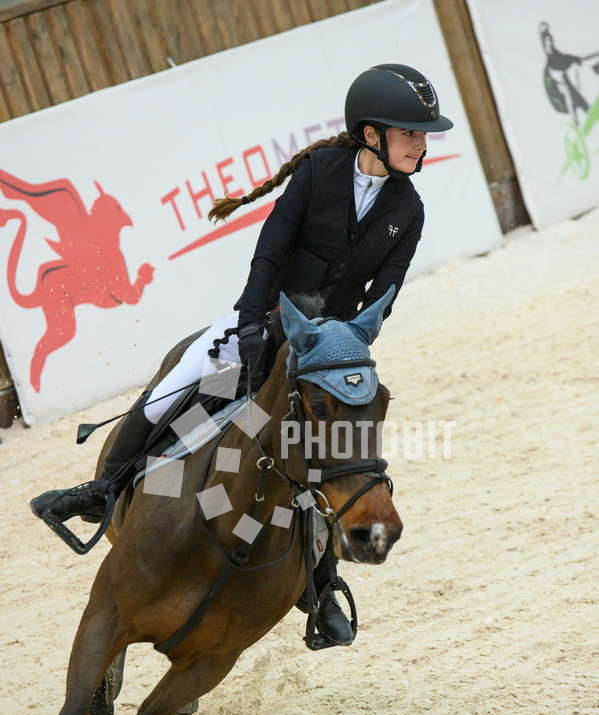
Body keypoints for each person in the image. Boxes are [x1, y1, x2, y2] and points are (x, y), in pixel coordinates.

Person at [31, 63, 453, 646]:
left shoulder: (409, 209)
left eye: (423, 135)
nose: (421, 144)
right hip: (266, 315)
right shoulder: (320, 173)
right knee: (182, 382)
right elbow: (270, 251)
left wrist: (344, 349)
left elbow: (385, 293)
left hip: (327, 344)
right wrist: (252, 322)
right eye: (411, 134)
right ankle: (102, 488)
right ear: (371, 134)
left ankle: (322, 585)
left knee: (332, 450)